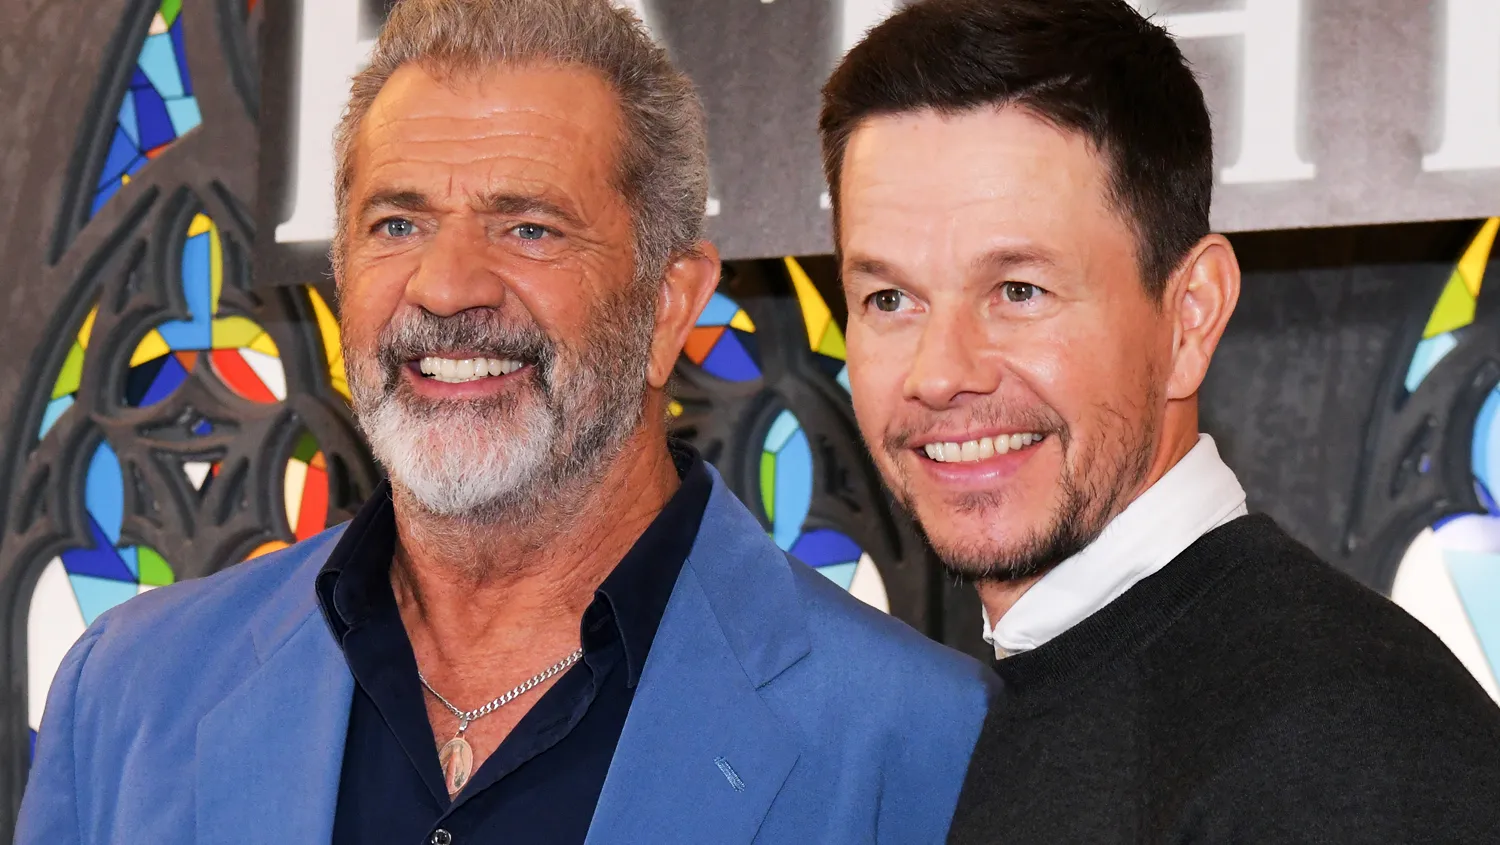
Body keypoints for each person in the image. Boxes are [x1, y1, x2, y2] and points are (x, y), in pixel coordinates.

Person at [18, 1, 995, 843]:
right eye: (398, 224)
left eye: (528, 227)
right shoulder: (130, 694)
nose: (446, 286)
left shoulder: (922, 742)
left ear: (667, 306)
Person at [821, 0, 1500, 841]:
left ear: (1189, 318)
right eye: (890, 298)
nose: (940, 373)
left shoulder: (1345, 747)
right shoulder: (998, 709)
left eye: (1019, 290)